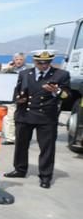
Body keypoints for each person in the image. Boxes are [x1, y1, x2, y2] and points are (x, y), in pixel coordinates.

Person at [4, 50, 70, 188]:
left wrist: (55, 91)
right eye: (40, 63)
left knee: (47, 148)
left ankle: (45, 176)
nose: (43, 65)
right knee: (21, 145)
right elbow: (16, 90)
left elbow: (66, 96)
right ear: (34, 62)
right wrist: (18, 99)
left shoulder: (61, 75)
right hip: (25, 114)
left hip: (46, 117)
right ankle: (20, 169)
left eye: (47, 62)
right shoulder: (24, 74)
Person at [1, 52, 28, 145]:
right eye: (17, 59)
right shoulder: (10, 69)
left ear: (24, 60)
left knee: (22, 119)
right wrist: (7, 68)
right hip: (12, 96)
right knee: (10, 118)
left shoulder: (28, 69)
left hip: (25, 97)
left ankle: (21, 137)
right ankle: (10, 138)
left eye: (21, 59)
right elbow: (0, 77)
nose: (19, 61)